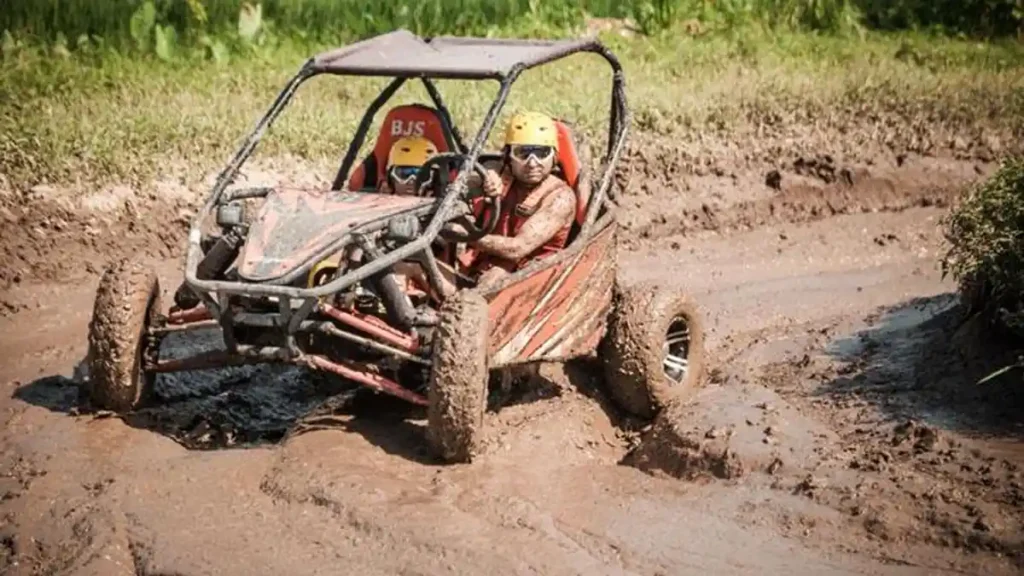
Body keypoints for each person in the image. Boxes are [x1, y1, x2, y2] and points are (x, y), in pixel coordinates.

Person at [455, 110, 576, 288]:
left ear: (554, 157)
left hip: (530, 276)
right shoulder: (500, 173)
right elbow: (465, 179)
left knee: (493, 278)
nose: (532, 163)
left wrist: (463, 235)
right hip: (482, 261)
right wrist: (487, 176)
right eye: (523, 153)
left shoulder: (560, 198)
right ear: (508, 156)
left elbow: (517, 248)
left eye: (542, 153)